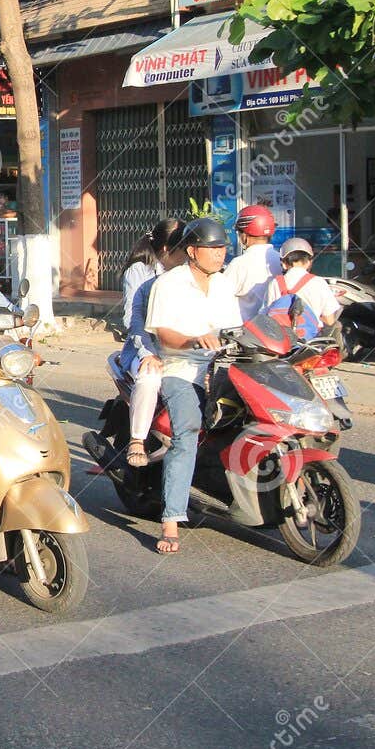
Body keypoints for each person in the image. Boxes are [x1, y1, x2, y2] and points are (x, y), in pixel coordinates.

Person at [144, 218, 241, 556]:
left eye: (223, 247)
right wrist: (191, 342)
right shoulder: (168, 284)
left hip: (223, 367)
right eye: (213, 248)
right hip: (181, 368)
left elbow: (236, 330)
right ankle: (171, 519)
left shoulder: (224, 284)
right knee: (186, 434)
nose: (220, 253)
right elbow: (163, 334)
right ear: (192, 250)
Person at [118, 220, 186, 468]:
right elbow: (131, 319)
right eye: (183, 251)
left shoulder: (189, 273)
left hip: (186, 348)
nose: (188, 256)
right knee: (149, 377)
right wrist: (149, 352)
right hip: (146, 347)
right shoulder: (140, 272)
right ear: (167, 250)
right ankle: (138, 439)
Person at [264, 237, 341, 328]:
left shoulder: (275, 284)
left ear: (284, 264)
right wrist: (312, 318)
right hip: (312, 338)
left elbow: (267, 315)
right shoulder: (319, 283)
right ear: (309, 262)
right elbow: (329, 320)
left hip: (282, 338)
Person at [226, 204, 283, 322]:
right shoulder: (282, 261)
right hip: (276, 331)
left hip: (245, 334)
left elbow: (219, 297)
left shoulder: (239, 264)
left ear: (244, 236)